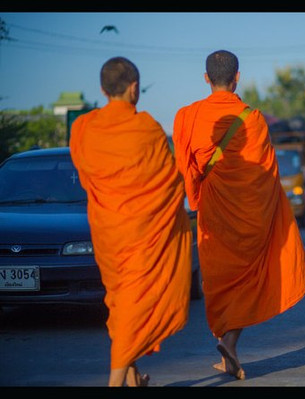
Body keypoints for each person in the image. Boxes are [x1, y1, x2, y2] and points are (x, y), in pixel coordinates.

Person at [172, 49, 305, 380]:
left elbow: (186, 167)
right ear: (238, 77)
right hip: (250, 214)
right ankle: (230, 342)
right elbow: (266, 175)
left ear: (206, 78)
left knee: (220, 277)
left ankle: (227, 342)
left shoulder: (187, 116)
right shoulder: (253, 119)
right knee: (250, 275)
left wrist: (196, 199)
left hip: (214, 210)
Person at [70, 56, 192, 386]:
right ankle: (114, 382)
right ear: (135, 88)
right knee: (133, 306)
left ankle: (134, 377)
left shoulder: (82, 127)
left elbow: (85, 177)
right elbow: (169, 182)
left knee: (124, 304)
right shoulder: (147, 128)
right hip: (143, 232)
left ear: (102, 89)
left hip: (108, 230)